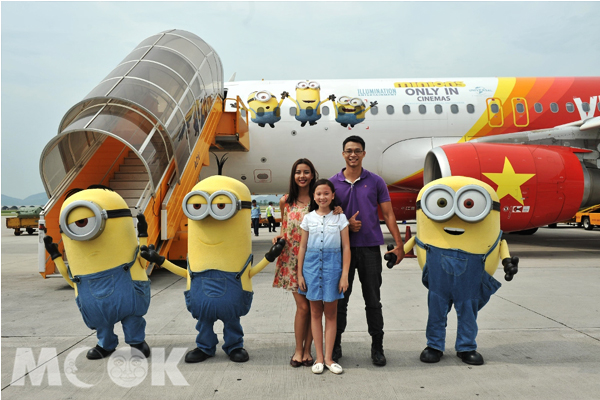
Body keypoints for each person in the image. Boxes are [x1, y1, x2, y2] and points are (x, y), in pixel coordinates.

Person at [330, 135, 405, 367]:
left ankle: (377, 348)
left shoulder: (375, 181)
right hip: (342, 250)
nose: (353, 154)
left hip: (370, 249)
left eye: (358, 150)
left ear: (364, 154)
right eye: (349, 150)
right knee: (340, 301)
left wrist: (399, 243)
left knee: (373, 300)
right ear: (343, 154)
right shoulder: (333, 183)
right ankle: (335, 345)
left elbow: (389, 214)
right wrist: (345, 222)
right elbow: (327, 216)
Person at [297, 179, 350, 375]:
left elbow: (346, 247)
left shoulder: (340, 218)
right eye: (319, 194)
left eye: (326, 193)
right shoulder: (308, 218)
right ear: (314, 196)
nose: (322, 197)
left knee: (331, 313)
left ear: (333, 195)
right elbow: (302, 246)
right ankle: (318, 357)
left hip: (332, 268)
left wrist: (344, 275)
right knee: (315, 312)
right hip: (311, 268)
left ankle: (329, 358)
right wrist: (299, 272)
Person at [272, 158, 318, 367]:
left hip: (314, 258)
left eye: (306, 172)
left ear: (312, 174)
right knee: (303, 307)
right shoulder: (286, 201)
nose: (302, 176)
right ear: (293, 176)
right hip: (291, 258)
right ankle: (298, 350)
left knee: (313, 307)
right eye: (298, 172)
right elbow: (285, 228)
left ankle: (308, 351)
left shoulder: (318, 200)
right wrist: (278, 237)